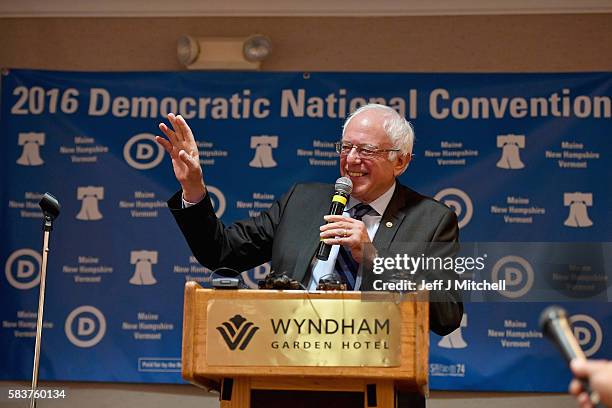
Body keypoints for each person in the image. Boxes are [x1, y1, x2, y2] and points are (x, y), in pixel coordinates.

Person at [156, 103, 462, 336]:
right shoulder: (301, 200)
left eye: (367, 150)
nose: (352, 159)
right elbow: (220, 252)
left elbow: (446, 316)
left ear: (401, 161)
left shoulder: (432, 221)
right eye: (346, 147)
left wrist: (373, 258)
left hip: (375, 372)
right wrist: (193, 188)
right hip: (284, 361)